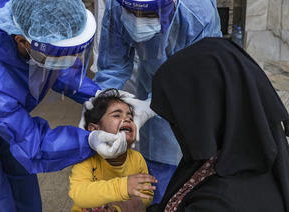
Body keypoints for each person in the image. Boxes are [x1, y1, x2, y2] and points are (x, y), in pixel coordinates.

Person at [0, 0, 156, 211]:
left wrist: (98, 94)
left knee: (22, 183)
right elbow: (34, 146)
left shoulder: (33, 23)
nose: (70, 60)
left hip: (0, 106)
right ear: (22, 42)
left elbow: (55, 63)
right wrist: (89, 140)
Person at [91, 0, 222, 204]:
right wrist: (102, 104)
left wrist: (152, 106)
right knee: (160, 174)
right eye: (131, 12)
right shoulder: (116, 5)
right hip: (152, 79)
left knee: (194, 178)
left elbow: (200, 78)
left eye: (148, 14)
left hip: (195, 98)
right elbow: (113, 66)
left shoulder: (198, 13)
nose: (137, 20)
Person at [147, 37, 289, 212]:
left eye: (176, 120)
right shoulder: (221, 156)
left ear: (203, 116)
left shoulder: (223, 202)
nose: (174, 128)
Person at [69, 89, 156, 212]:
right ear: (94, 129)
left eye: (130, 117)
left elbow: (146, 193)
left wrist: (126, 205)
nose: (127, 119)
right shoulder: (85, 158)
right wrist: (123, 187)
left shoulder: (137, 158)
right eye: (117, 115)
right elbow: (79, 194)